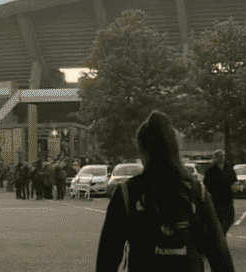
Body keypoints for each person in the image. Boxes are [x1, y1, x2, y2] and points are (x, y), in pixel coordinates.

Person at [95, 110, 234, 271]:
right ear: (175, 149)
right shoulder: (196, 191)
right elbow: (221, 257)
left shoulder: (128, 193)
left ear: (142, 151)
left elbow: (106, 259)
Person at [204, 150, 238, 236]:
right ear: (216, 157)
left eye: (223, 156)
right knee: (220, 219)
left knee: (230, 218)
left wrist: (236, 187)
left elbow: (235, 181)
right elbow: (207, 184)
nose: (222, 157)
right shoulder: (211, 169)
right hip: (217, 199)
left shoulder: (228, 167)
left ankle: (221, 234)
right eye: (220, 156)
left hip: (228, 197)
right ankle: (220, 236)